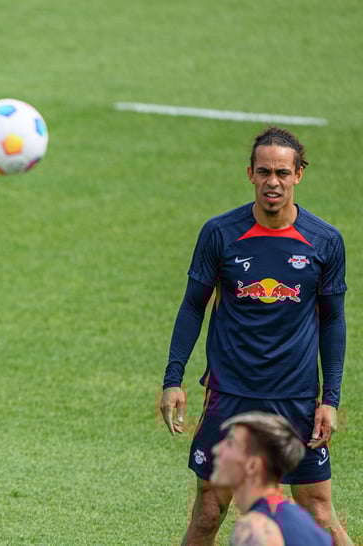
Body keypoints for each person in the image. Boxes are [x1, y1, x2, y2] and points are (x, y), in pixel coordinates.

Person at [159, 126, 351, 545]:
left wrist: (330, 400)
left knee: (318, 511)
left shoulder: (324, 242)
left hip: (295, 397)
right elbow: (193, 305)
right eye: (264, 172)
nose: (273, 182)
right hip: (230, 394)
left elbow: (334, 322)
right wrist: (174, 378)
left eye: (282, 172)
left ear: (299, 174)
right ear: (250, 174)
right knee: (209, 511)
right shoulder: (220, 233)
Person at [211, 412, 332, 545]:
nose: (216, 449)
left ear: (252, 466)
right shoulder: (294, 514)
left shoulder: (254, 529)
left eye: (230, 443)